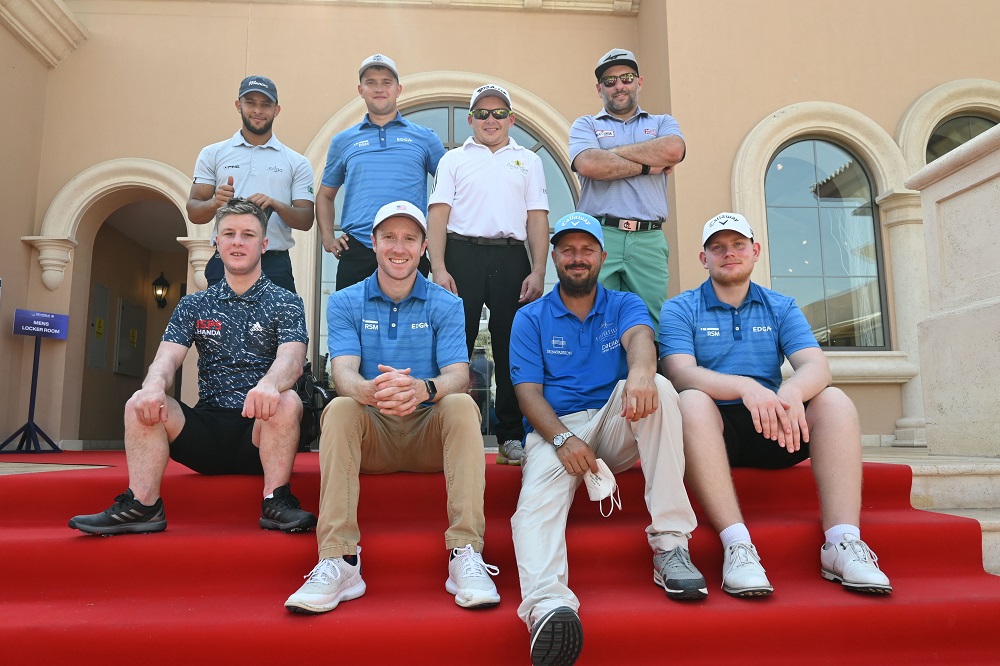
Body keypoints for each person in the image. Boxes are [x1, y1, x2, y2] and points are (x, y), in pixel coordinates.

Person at [658, 212, 893, 598]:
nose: (728, 253)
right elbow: (680, 373)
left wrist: (791, 391)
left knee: (833, 400)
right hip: (713, 433)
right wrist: (745, 386)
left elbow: (816, 366)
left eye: (738, 245)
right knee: (691, 401)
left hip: (776, 426)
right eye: (718, 247)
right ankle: (738, 546)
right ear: (704, 258)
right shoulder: (679, 308)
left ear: (755, 251)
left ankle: (842, 543)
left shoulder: (781, 305)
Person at [285, 200, 499, 614]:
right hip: (373, 437)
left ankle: (466, 553)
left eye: (409, 239)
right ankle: (340, 559)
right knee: (341, 408)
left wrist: (423, 389)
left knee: (460, 405)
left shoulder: (447, 303)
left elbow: (458, 374)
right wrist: (370, 392)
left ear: (423, 247)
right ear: (373, 242)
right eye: (389, 238)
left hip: (429, 436)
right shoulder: (345, 301)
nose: (399, 248)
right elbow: (342, 373)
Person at [509, 212, 705, 666]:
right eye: (568, 250)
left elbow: (640, 338)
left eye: (587, 250)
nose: (577, 258)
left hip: (615, 422)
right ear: (554, 257)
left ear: (602, 255)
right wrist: (562, 439)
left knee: (660, 388)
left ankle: (671, 545)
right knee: (532, 509)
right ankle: (548, 606)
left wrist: (642, 372)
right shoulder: (530, 317)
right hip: (555, 430)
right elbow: (527, 394)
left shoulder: (624, 303)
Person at [69, 199, 315, 535]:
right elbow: (166, 359)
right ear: (216, 242)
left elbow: (292, 359)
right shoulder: (194, 304)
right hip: (207, 433)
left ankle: (276, 500)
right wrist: (153, 386)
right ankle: (143, 505)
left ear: (264, 244)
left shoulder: (286, 301)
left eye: (248, 234)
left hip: (260, 434)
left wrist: (270, 384)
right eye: (229, 234)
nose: (238, 242)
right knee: (141, 399)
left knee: (288, 400)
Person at [427, 83, 549, 466]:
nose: (490, 120)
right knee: (454, 346)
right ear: (471, 120)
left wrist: (539, 269)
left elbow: (537, 219)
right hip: (461, 255)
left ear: (511, 119)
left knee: (512, 346)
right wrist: (439, 267)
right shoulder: (453, 159)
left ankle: (510, 436)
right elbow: (437, 216)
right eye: (482, 113)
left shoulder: (529, 161)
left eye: (499, 113)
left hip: (512, 256)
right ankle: (446, 434)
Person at [569, 48, 686, 327]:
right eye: (610, 81)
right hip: (600, 235)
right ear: (599, 88)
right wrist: (646, 165)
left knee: (650, 322)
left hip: (648, 238)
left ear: (639, 82)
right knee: (592, 319)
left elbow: (673, 149)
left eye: (627, 78)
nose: (619, 86)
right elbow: (589, 164)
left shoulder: (662, 122)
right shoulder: (585, 124)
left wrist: (610, 154)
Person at [317, 54, 446, 290]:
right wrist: (327, 238)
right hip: (357, 250)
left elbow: (451, 188)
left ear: (398, 89)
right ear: (361, 90)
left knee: (411, 315)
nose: (379, 88)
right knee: (351, 315)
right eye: (371, 82)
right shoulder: (342, 141)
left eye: (386, 82)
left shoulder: (425, 137)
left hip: (407, 251)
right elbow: (325, 195)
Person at [186, 76, 315, 293]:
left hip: (274, 263)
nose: (258, 110)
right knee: (219, 317)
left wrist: (276, 205)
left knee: (281, 317)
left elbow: (306, 220)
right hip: (225, 258)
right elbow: (194, 212)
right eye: (251, 103)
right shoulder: (212, 154)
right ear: (239, 105)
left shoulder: (297, 162)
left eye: (266, 105)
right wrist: (215, 202)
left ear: (276, 110)